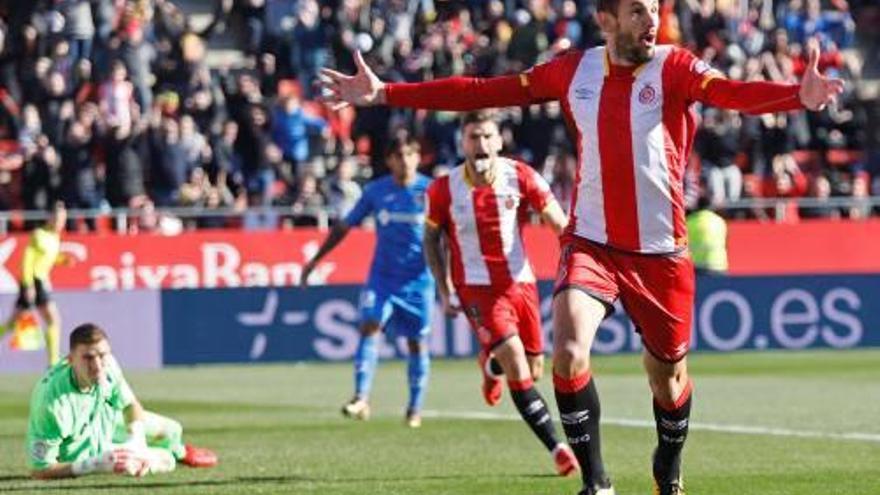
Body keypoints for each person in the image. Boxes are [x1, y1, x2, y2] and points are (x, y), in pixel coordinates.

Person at [317, 0, 843, 491]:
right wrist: (388, 94)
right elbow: (482, 91)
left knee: (667, 379)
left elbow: (732, 93)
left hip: (662, 254)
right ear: (606, 19)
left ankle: (669, 460)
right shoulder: (574, 71)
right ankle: (598, 482)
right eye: (638, 11)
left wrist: (798, 95)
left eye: (656, 9)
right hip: (592, 242)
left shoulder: (675, 66)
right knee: (568, 354)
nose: (652, 20)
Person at [422, 110, 577, 477]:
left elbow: (559, 223)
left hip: (520, 283)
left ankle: (490, 367)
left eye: (488, 137)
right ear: (463, 143)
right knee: (515, 359)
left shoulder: (520, 176)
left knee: (535, 369)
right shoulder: (443, 189)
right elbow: (431, 239)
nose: (481, 145)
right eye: (474, 137)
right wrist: (444, 290)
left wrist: (578, 260)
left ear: (499, 141)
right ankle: (558, 448)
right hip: (476, 289)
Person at [301, 135, 434, 428]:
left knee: (417, 343)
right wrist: (316, 260)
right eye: (398, 155)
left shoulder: (431, 191)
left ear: (418, 157)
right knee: (369, 325)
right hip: (383, 278)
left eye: (409, 154)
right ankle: (361, 397)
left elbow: (448, 235)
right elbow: (345, 226)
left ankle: (414, 408)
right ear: (389, 160)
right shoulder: (376, 191)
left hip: (419, 281)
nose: (404, 161)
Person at [26, 323, 217, 479]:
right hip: (82, 451)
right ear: (70, 360)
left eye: (102, 355)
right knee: (165, 460)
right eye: (88, 358)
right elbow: (40, 470)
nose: (97, 366)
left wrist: (136, 440)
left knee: (173, 429)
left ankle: (180, 451)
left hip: (104, 421)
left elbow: (130, 405)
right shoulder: (51, 404)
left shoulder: (109, 366)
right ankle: (171, 455)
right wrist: (89, 466)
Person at [0, 202, 72, 366]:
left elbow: (49, 258)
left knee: (12, 323)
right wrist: (28, 285)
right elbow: (27, 260)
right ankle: (53, 362)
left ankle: (53, 361)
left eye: (63, 219)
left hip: (39, 282)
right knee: (53, 319)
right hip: (34, 282)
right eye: (58, 218)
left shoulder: (55, 237)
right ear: (50, 218)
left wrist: (63, 260)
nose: (60, 222)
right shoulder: (39, 235)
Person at [686, 195, 728, 274]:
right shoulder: (720, 221)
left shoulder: (689, 222)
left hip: (697, 267)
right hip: (719, 265)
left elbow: (681, 244)